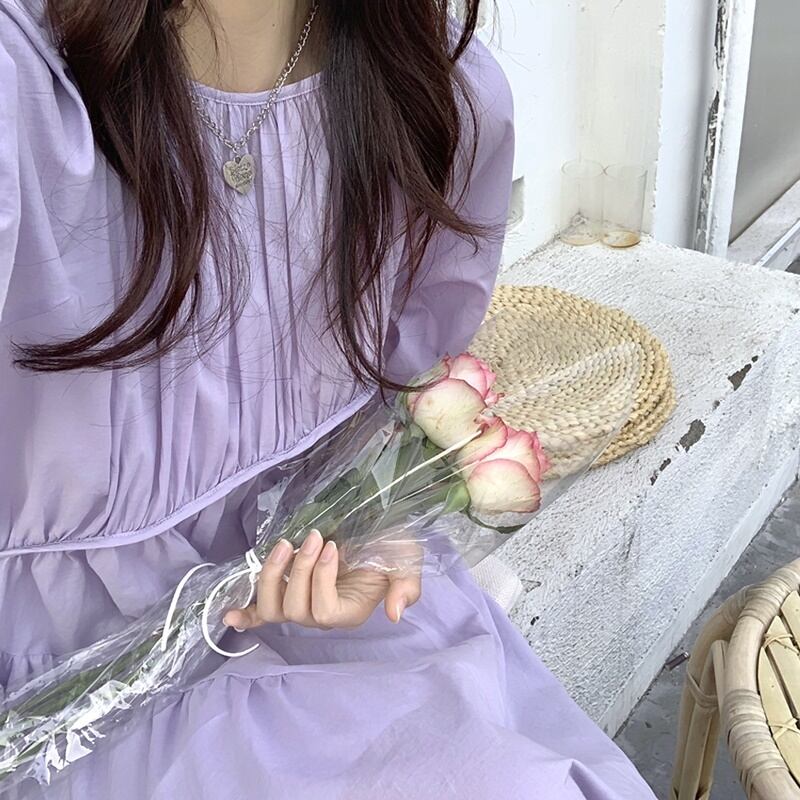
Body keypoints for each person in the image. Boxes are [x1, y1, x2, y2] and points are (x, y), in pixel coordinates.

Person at [0, 1, 656, 797]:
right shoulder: (26, 89)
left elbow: (390, 391)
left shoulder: (434, 90)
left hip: (334, 599)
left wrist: (377, 518)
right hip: (65, 675)